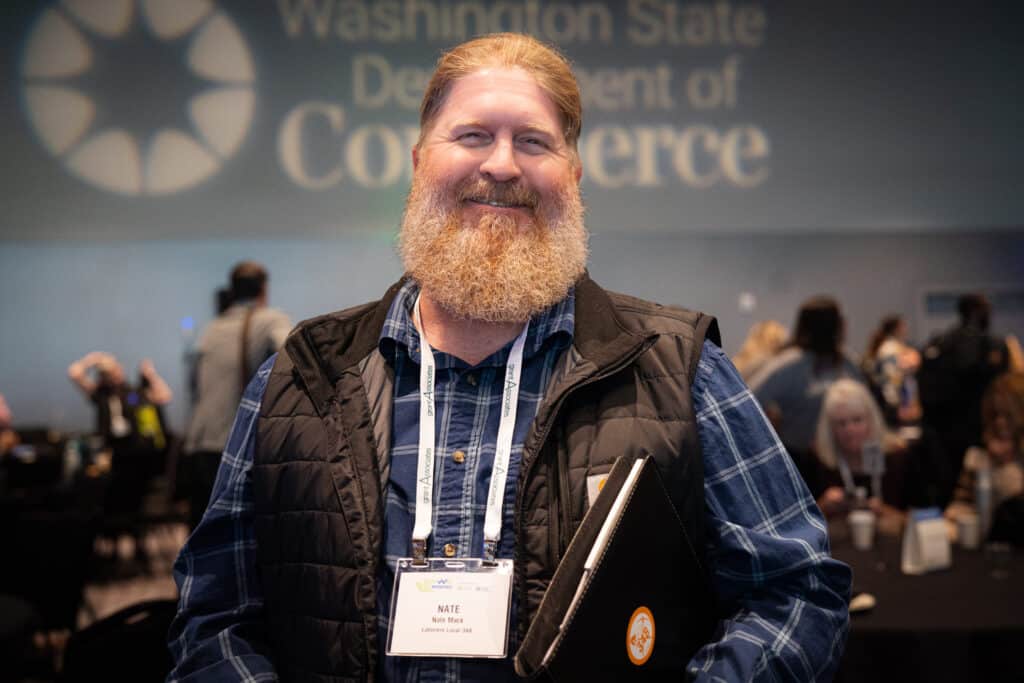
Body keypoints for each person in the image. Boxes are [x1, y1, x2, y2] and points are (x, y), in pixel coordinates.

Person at [168, 33, 850, 682]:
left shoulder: (679, 368)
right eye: (471, 135)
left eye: (533, 141)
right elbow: (216, 620)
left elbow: (797, 590)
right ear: (417, 163)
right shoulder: (301, 376)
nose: (501, 163)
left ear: (573, 176)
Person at [182, 261, 291, 528]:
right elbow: (295, 355)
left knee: (205, 531)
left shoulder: (212, 328)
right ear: (263, 289)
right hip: (234, 444)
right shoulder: (269, 320)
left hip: (199, 442)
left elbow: (194, 384)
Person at [918, 293, 1009, 505]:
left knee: (949, 494)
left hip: (942, 437)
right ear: (978, 312)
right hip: (979, 433)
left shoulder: (939, 343)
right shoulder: (995, 345)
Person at [748, 296, 863, 455]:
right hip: (800, 457)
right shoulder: (788, 365)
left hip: (842, 456)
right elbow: (749, 401)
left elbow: (866, 404)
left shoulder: (847, 362)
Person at [811, 379, 927, 535]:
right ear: (830, 429)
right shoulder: (819, 462)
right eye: (841, 423)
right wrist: (823, 506)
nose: (850, 430)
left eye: (857, 420)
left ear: (871, 420)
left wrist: (889, 513)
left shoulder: (898, 458)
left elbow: (926, 520)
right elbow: (798, 528)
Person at [945, 373, 1024, 526]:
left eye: (1007, 415)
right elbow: (960, 506)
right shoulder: (978, 456)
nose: (1000, 422)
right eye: (995, 414)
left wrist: (1007, 466)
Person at [863, 314, 921, 427]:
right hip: (894, 406)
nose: (906, 329)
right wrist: (896, 405)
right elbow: (890, 379)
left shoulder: (894, 346)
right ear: (897, 328)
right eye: (903, 326)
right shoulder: (890, 349)